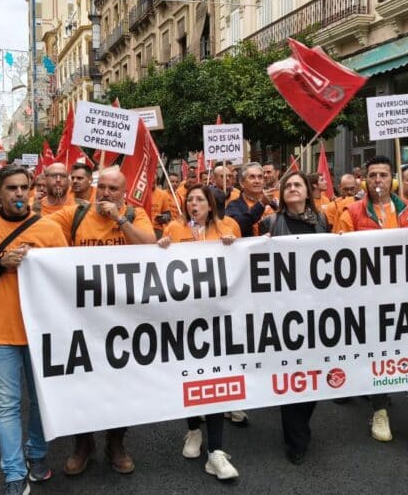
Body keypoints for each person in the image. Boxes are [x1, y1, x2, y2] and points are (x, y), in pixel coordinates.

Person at [0, 166, 68, 495]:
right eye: (11, 188)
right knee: (7, 406)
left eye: (23, 187)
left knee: (40, 401)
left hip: (41, 332)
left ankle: (37, 454)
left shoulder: (49, 228)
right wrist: (0, 264)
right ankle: (13, 473)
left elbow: (68, 276)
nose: (19, 193)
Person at [336, 157, 408, 449]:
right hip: (369, 301)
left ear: (392, 180)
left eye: (383, 175)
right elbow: (338, 255)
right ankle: (380, 411)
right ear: (365, 180)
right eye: (372, 175)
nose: (377, 179)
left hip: (406, 299)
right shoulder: (351, 212)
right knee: (380, 357)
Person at [49, 168, 155, 475]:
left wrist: (119, 220)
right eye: (102, 187)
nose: (106, 192)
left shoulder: (135, 215)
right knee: (80, 381)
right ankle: (83, 444)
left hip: (122, 319)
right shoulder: (75, 215)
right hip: (81, 318)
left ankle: (116, 443)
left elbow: (149, 245)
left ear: (124, 194)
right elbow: (36, 227)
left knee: (120, 383)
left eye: (113, 188)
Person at [157, 185, 240, 480]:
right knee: (189, 376)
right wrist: (162, 247)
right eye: (190, 199)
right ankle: (193, 430)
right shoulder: (174, 228)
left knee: (214, 379)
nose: (194, 204)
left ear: (210, 204)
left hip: (217, 319)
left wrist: (233, 246)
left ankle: (216, 451)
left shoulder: (228, 227)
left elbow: (240, 267)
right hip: (184, 319)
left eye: (200, 199)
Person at [258, 171, 329, 464]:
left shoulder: (322, 220)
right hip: (284, 310)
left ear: (307, 191)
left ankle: (300, 425)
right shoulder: (270, 223)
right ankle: (296, 440)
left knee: (313, 371)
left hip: (317, 307)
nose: (292, 188)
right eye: (287, 185)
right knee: (291, 372)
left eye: (297, 184)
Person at [226, 163, 278, 237]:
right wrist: (261, 204)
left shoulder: (273, 204)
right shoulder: (233, 206)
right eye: (252, 177)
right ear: (242, 183)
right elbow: (237, 226)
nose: (257, 181)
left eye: (260, 177)